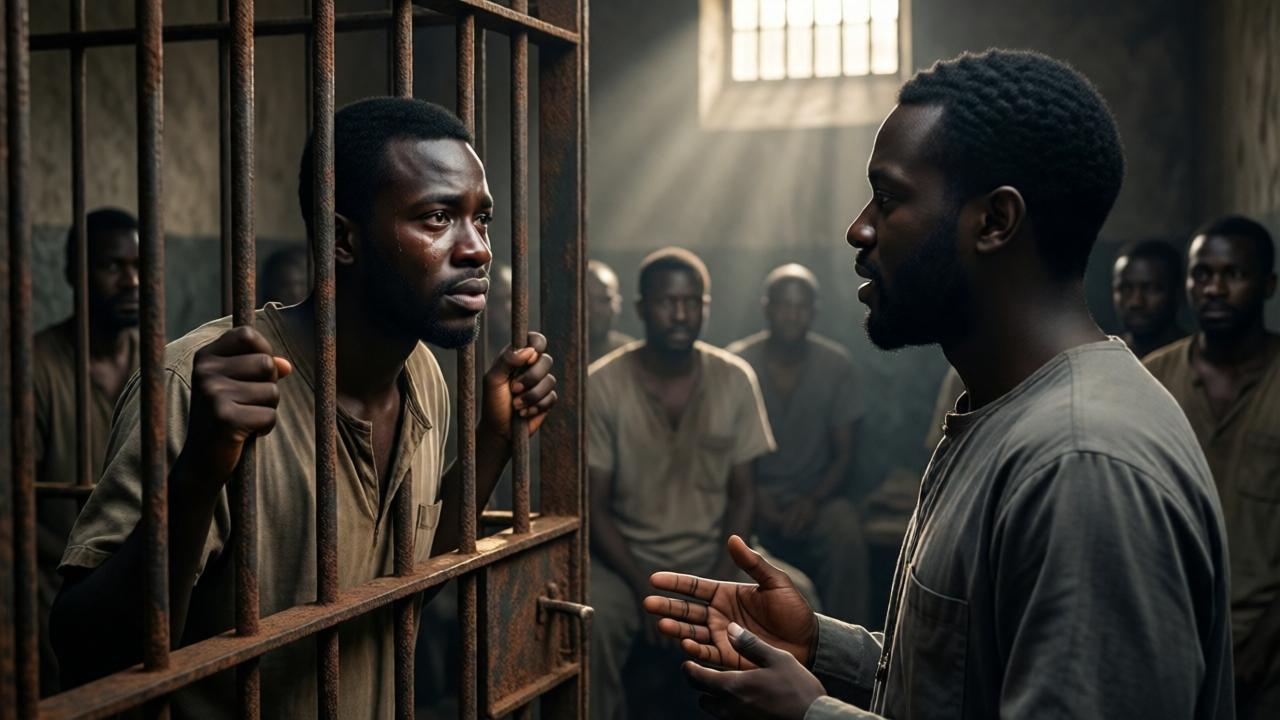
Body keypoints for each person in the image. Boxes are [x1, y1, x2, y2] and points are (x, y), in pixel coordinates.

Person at [643, 49, 1233, 719]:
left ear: (994, 222)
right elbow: (969, 683)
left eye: (889, 199)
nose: (858, 228)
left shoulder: (1083, 464)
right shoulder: (1003, 412)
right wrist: (818, 647)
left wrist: (813, 714)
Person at [50, 98, 559, 719]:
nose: (477, 249)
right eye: (436, 218)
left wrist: (494, 440)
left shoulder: (421, 375)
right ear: (343, 238)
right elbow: (84, 657)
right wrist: (202, 471)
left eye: (481, 219)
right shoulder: (196, 385)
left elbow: (409, 579)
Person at [587, 247, 775, 719]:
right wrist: (639, 587)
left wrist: (717, 581)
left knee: (798, 601)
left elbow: (743, 494)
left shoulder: (734, 378)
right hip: (626, 562)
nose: (680, 313)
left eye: (692, 302)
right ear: (640, 309)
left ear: (705, 308)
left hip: (712, 558)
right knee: (590, 618)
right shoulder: (603, 384)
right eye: (667, 302)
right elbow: (595, 507)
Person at [1144, 215, 1279, 720]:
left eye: (1234, 274)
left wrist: (1261, 646)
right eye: (1202, 274)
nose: (1215, 288)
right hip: (1166, 642)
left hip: (1266, 663)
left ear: (1267, 286)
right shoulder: (1152, 378)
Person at [33, 208, 141, 696]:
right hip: (48, 607)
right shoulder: (36, 369)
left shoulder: (160, 367)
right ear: (74, 273)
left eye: (140, 265)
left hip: (136, 599)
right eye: (112, 266)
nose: (132, 280)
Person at [726, 263, 869, 623]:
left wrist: (812, 501)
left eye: (801, 306)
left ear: (814, 312)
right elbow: (720, 453)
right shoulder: (736, 363)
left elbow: (845, 454)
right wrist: (754, 499)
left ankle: (851, 645)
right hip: (749, 496)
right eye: (783, 305)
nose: (792, 315)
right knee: (723, 531)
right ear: (766, 307)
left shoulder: (836, 366)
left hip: (813, 499)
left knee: (845, 529)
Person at [1112, 238, 1188, 357]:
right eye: (1126, 289)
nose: (1135, 302)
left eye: (1150, 289)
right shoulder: (1099, 359)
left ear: (1178, 292)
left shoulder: (1196, 359)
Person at [587, 259, 635, 363]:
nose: (595, 309)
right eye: (586, 301)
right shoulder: (554, 353)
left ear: (618, 303)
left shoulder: (632, 357)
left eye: (604, 300)